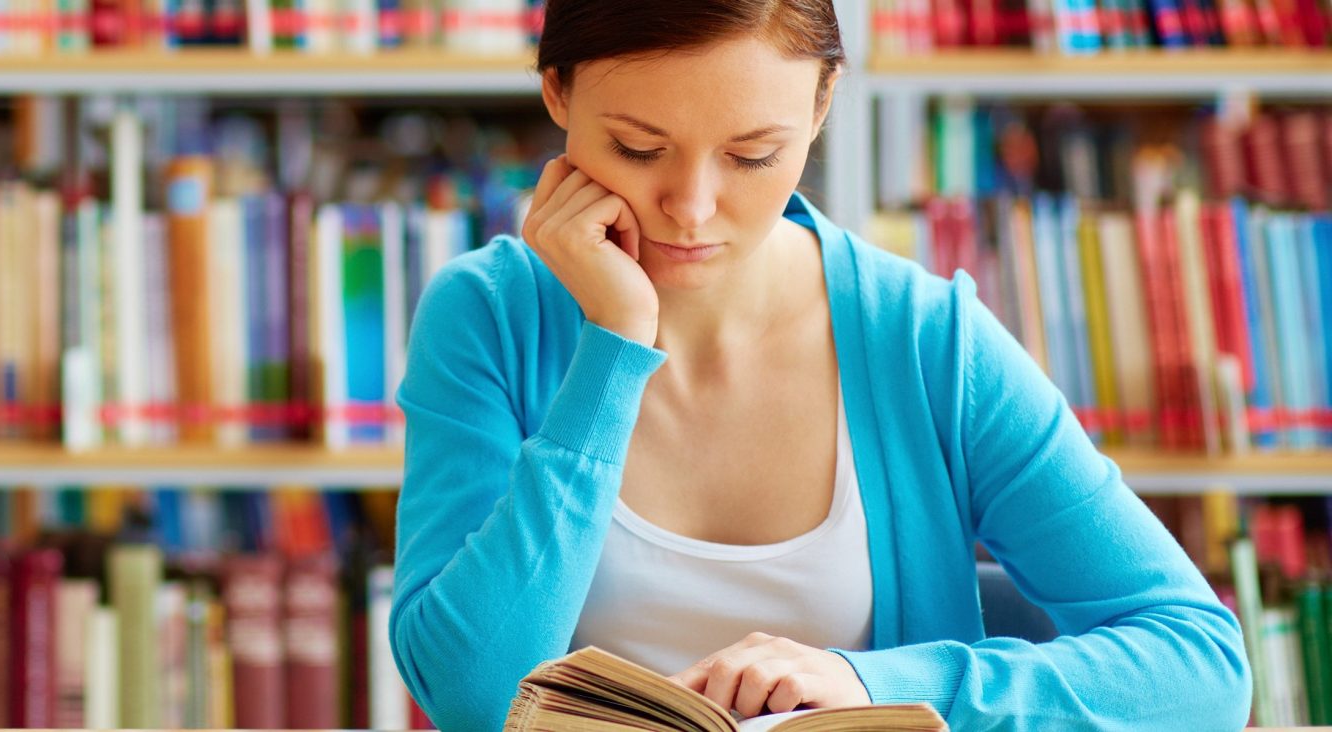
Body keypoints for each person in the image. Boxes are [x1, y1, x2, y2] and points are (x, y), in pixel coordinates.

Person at [386, 0, 1251, 728]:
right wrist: (613, 351)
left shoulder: (925, 341)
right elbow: (473, 697)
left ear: (825, 102)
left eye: (751, 154)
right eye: (639, 149)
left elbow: (1199, 662)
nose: (691, 209)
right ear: (557, 94)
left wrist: (879, 685)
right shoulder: (488, 317)